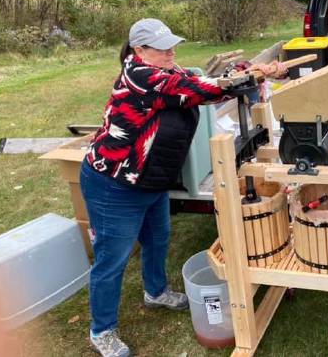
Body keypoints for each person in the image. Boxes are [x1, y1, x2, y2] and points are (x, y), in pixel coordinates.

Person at [80, 18, 232, 357]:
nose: (171, 51)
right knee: (111, 261)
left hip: (150, 180)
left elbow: (196, 84)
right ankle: (101, 330)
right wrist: (252, 76)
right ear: (139, 50)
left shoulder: (168, 70)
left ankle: (156, 291)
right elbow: (201, 90)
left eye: (171, 45)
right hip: (114, 185)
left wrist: (245, 74)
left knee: (158, 239)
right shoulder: (140, 76)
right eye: (162, 48)